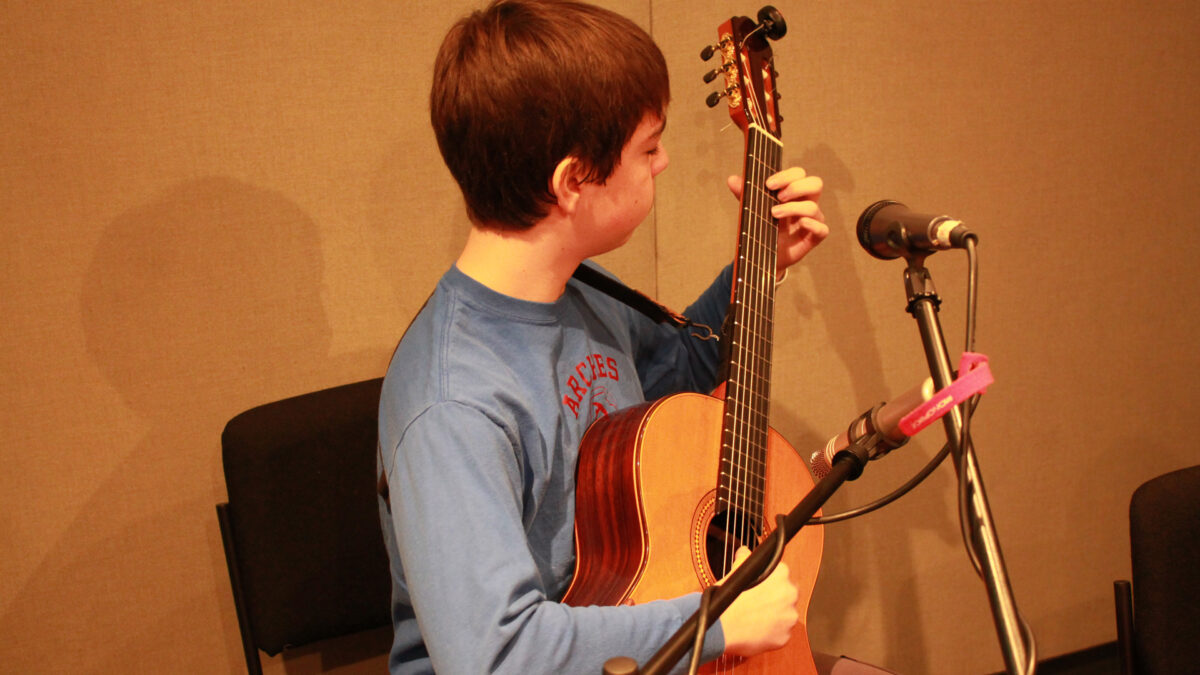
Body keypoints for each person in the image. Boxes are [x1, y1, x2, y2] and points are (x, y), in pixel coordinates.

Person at [377, 1, 845, 673]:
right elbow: (496, 655)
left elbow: (674, 375)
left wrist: (757, 265)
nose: (663, 162)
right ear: (573, 181)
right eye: (647, 148)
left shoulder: (577, 286)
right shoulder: (453, 402)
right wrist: (714, 619)